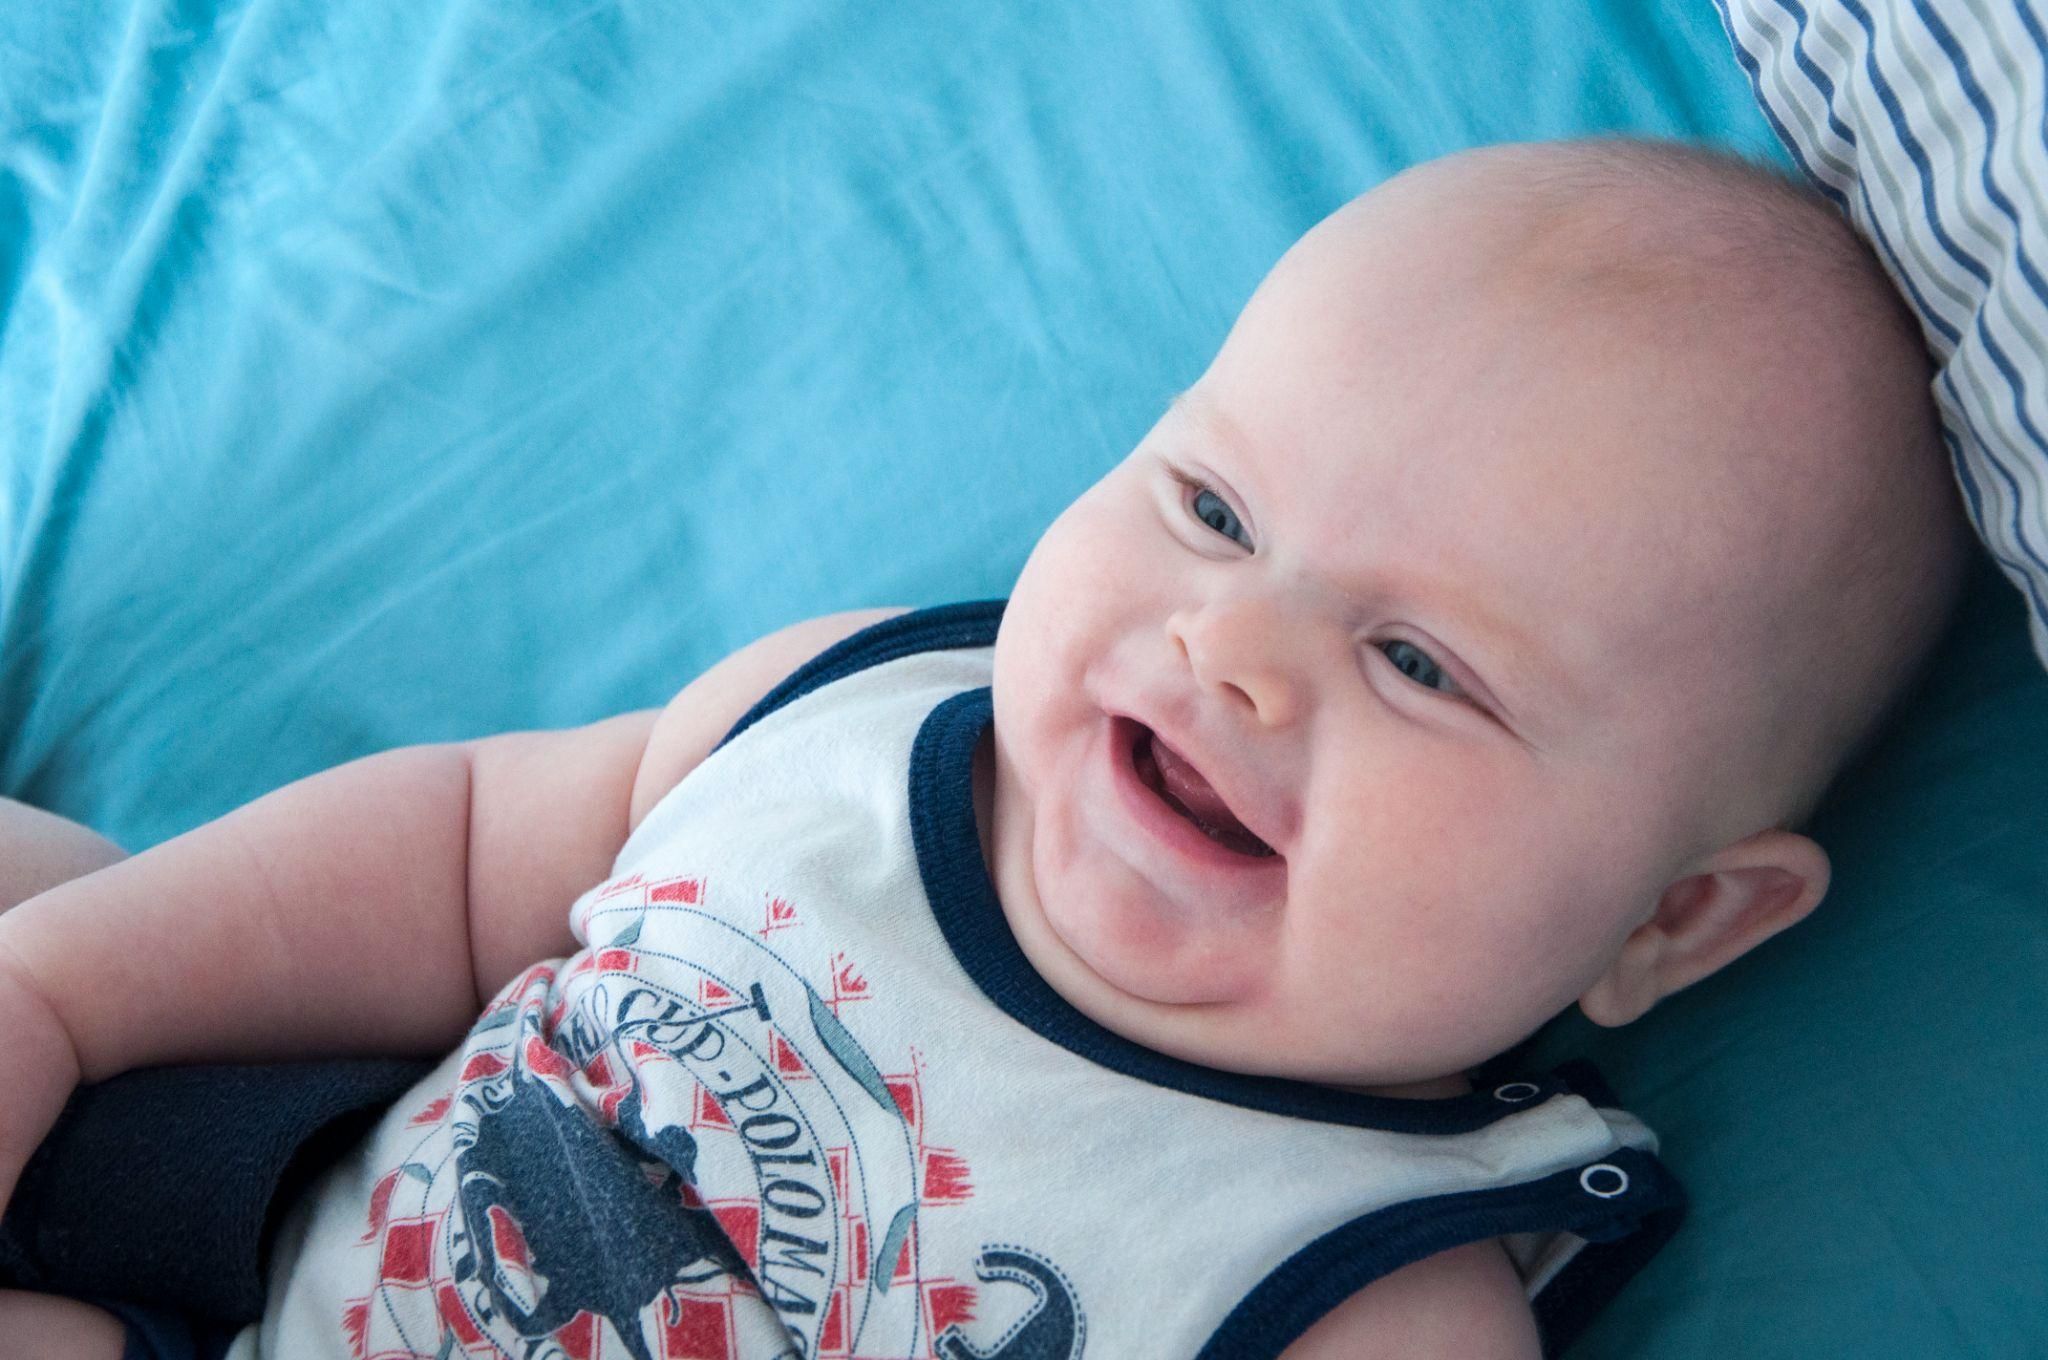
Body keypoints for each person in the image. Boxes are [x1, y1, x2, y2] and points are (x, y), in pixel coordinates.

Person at [0, 135, 1971, 1359]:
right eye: (1211, 508)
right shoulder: (859, 716)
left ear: (1680, 915)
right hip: (268, 1195)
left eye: (1420, 663)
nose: (1238, 648)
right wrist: (63, 994)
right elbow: (449, 858)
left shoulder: (1359, 1290)